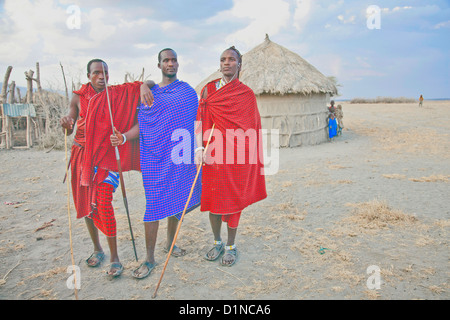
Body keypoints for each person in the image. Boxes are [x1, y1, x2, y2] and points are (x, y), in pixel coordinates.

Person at [60, 59, 143, 277]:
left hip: (107, 157)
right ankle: (97, 248)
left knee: (103, 203)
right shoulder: (78, 97)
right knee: (87, 204)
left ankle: (115, 257)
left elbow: (145, 85)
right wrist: (67, 121)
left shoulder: (115, 95)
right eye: (96, 73)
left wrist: (144, 85)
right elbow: (70, 125)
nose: (101, 76)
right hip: (82, 156)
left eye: (105, 72)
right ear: (89, 76)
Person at [131, 48, 201, 279]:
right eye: (166, 60)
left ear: (178, 64)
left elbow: (195, 119)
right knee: (153, 207)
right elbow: (144, 121)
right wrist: (144, 85)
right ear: (159, 65)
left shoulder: (187, 92)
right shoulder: (150, 93)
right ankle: (149, 258)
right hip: (155, 158)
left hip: (180, 155)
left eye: (174, 60)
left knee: (177, 199)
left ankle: (170, 244)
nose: (170, 64)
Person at [196, 46, 267, 267]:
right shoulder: (208, 90)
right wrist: (199, 149)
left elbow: (251, 129)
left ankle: (230, 246)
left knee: (234, 200)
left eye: (231, 59)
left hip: (237, 158)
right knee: (214, 199)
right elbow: (200, 120)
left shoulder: (245, 94)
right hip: (213, 154)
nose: (226, 63)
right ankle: (217, 242)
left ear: (239, 65)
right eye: (223, 59)